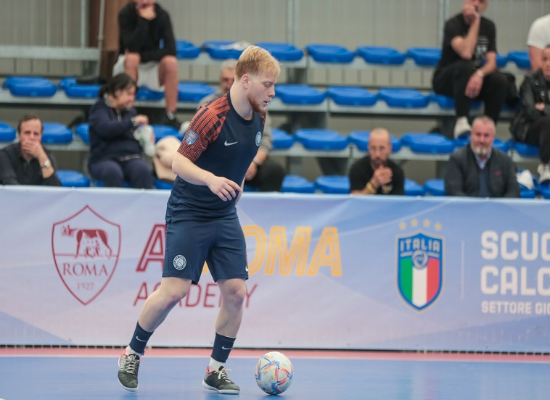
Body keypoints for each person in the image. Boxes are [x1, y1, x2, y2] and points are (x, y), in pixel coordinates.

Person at [117, 45, 280, 394]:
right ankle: (132, 353)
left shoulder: (259, 116)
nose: (272, 92)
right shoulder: (211, 115)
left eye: (274, 86)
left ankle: (215, 370)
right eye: (267, 85)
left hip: (224, 214)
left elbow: (237, 160)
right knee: (173, 291)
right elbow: (178, 163)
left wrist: (236, 184)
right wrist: (210, 180)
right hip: (189, 212)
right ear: (246, 80)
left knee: (236, 292)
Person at [198, 59, 285, 192]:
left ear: (242, 81)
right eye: (224, 80)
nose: (228, 84)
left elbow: (265, 140)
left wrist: (254, 163)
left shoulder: (257, 105)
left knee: (274, 171)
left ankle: (265, 206)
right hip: (217, 163)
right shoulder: (207, 104)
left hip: (248, 162)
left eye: (232, 80)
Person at [432, 0, 508, 138]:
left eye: (481, 1)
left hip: (472, 81)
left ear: (486, 6)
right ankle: (461, 121)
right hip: (447, 81)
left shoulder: (489, 26)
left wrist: (480, 74)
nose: (476, 4)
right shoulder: (453, 24)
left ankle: (488, 127)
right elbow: (466, 53)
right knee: (464, 67)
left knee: (499, 80)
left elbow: (492, 63)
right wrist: (475, 22)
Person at [114, 0, 182, 129]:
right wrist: (143, 21)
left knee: (171, 62)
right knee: (132, 58)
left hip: (152, 66)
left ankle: (171, 115)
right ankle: (128, 113)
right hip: (128, 66)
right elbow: (131, 46)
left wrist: (143, 57)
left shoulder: (162, 15)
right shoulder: (125, 14)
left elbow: (171, 50)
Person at [88, 73, 154, 189]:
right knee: (113, 172)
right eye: (129, 94)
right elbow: (106, 128)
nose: (132, 98)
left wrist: (145, 138)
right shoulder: (99, 108)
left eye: (133, 94)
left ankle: (145, 202)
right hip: (103, 159)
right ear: (117, 91)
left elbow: (134, 136)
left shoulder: (131, 112)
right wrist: (132, 122)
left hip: (130, 158)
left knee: (142, 170)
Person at [445, 115, 519, 197]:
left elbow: (514, 192)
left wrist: (498, 205)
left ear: (493, 137)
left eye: (486, 135)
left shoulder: (505, 161)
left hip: (497, 205)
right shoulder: (457, 159)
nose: (482, 140)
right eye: (478, 134)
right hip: (467, 205)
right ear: (471, 135)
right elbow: (453, 192)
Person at [510, 45, 550, 183]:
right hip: (528, 128)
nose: (548, 64)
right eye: (545, 59)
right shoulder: (530, 80)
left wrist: (544, 107)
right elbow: (530, 112)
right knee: (548, 122)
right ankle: (545, 165)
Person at [0, 114, 61, 186]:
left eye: (36, 134)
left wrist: (42, 157)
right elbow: (10, 184)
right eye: (27, 133)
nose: (31, 137)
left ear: (41, 137)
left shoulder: (46, 155)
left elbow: (55, 187)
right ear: (19, 135)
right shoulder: (6, 154)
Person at [348, 128, 404, 195]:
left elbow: (399, 200)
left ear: (389, 149)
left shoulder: (397, 172)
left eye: (382, 148)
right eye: (373, 148)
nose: (377, 154)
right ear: (368, 148)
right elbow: (354, 199)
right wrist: (374, 184)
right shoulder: (357, 169)